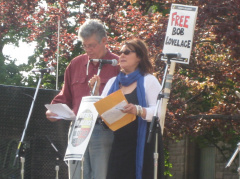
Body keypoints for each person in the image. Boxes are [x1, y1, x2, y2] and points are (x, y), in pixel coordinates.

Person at [46, 19, 120, 179]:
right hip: (77, 128)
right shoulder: (76, 64)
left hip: (103, 128)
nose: (88, 50)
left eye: (92, 45)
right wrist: (54, 110)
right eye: (85, 45)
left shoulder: (118, 65)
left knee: (100, 175)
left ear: (105, 41)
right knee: (76, 174)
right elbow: (64, 96)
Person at [89, 38, 165, 179]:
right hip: (119, 144)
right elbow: (101, 112)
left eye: (127, 52)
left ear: (139, 57)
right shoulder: (113, 82)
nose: (121, 55)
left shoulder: (149, 80)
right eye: (121, 52)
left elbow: (160, 111)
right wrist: (95, 92)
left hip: (144, 145)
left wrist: (138, 110)